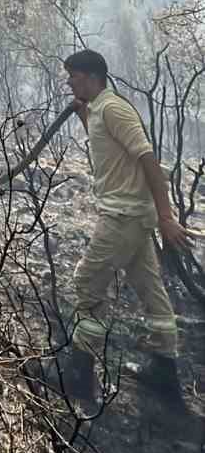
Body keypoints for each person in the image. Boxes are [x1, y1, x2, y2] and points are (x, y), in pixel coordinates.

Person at [55, 49, 197, 407]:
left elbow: (147, 160)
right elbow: (107, 148)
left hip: (124, 217)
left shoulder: (115, 108)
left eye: (73, 76)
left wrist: (166, 217)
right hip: (129, 215)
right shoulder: (100, 110)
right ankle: (165, 372)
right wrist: (83, 114)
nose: (70, 82)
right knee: (150, 288)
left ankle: (81, 373)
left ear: (90, 76)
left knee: (87, 282)